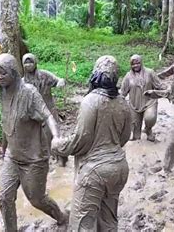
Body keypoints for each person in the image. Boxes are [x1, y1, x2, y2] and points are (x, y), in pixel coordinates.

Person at [52, 55, 131, 231]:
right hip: (119, 168)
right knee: (108, 220)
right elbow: (124, 138)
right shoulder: (123, 103)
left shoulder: (91, 101)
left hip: (95, 171)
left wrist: (57, 145)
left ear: (94, 76)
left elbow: (81, 141)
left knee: (82, 224)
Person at [0, 53, 67, 231]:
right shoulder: (4, 92)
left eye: (3, 73)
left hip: (34, 158)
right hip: (13, 156)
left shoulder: (29, 92)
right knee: (4, 197)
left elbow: (48, 116)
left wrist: (56, 138)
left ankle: (61, 216)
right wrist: (4, 150)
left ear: (13, 72)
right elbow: (7, 123)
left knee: (36, 199)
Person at [22, 53, 68, 167]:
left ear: (35, 62)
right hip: (33, 115)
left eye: (30, 62)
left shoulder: (45, 75)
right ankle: (43, 163)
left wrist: (61, 82)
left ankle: (61, 161)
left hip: (49, 111)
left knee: (54, 137)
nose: (28, 65)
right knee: (36, 140)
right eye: (26, 63)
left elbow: (58, 81)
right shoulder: (22, 82)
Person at [121, 54, 166, 142]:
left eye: (137, 63)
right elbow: (122, 92)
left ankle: (148, 129)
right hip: (134, 105)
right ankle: (135, 134)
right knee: (136, 134)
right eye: (133, 64)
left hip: (149, 102)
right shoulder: (128, 76)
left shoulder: (150, 73)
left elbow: (159, 85)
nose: (135, 66)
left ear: (141, 63)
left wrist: (168, 91)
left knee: (150, 118)